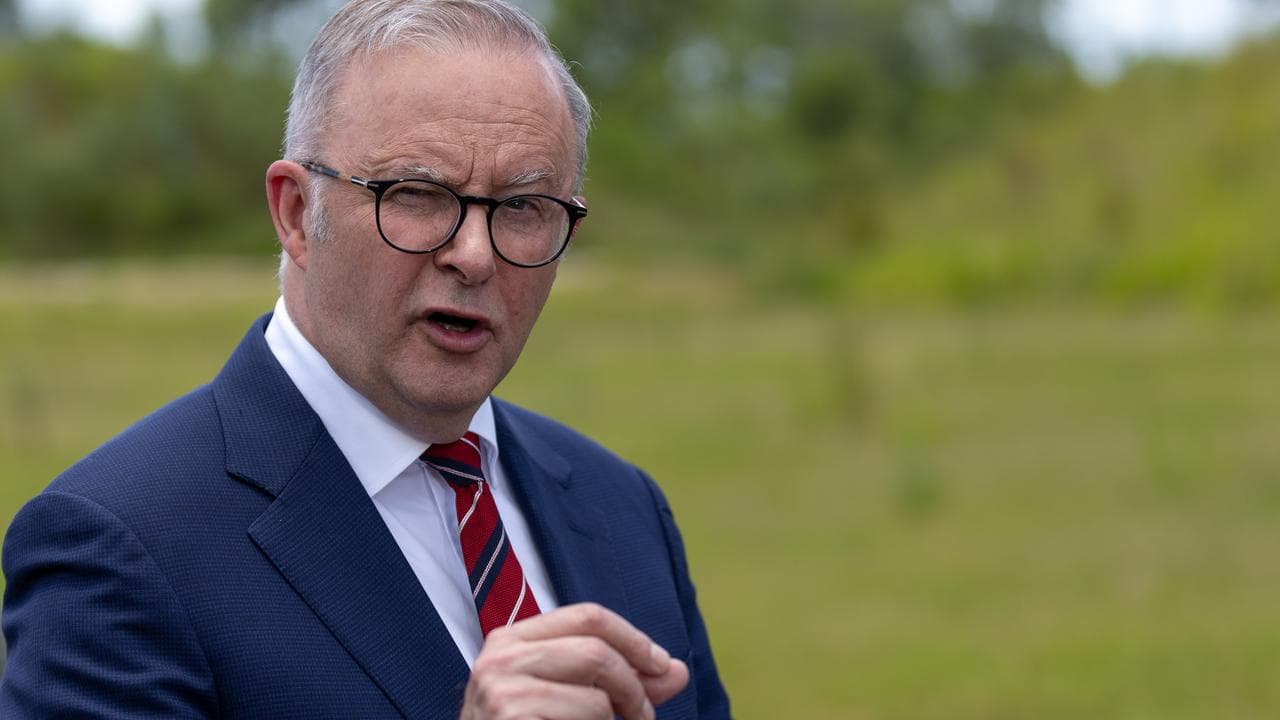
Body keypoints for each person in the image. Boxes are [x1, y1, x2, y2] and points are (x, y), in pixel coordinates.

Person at [0, 1, 731, 717]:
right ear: (295, 214)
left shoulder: (622, 506)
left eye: (522, 208)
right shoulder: (117, 548)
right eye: (415, 195)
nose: (474, 256)